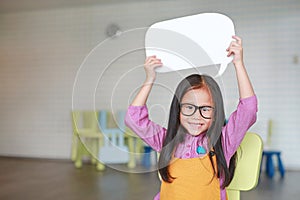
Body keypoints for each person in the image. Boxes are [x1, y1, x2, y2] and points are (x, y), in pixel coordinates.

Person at [125, 36, 257, 200]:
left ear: (216, 113)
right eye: (189, 107)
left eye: (205, 109)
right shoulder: (166, 140)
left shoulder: (223, 142)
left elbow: (249, 110)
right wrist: (150, 79)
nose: (196, 116)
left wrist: (238, 64)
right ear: (178, 109)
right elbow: (133, 119)